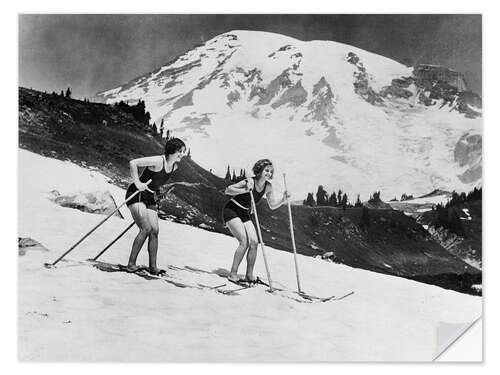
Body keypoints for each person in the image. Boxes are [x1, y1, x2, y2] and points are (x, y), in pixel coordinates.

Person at [222, 159, 290, 284]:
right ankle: (233, 273)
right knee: (244, 242)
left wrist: (283, 200)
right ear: (259, 170)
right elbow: (228, 190)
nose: (268, 173)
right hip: (232, 209)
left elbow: (272, 205)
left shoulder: (268, 186)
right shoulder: (249, 181)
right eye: (266, 170)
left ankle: (249, 275)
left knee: (254, 242)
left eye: (270, 171)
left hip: (244, 213)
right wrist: (244, 190)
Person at [125, 138, 186, 275]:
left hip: (149, 197)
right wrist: (137, 182)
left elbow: (156, 181)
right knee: (145, 229)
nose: (182, 154)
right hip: (136, 193)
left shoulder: (174, 166)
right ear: (171, 151)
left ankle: (153, 267)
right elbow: (133, 163)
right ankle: (131, 264)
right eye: (180, 151)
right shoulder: (159, 161)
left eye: (183, 151)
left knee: (155, 231)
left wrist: (158, 192)